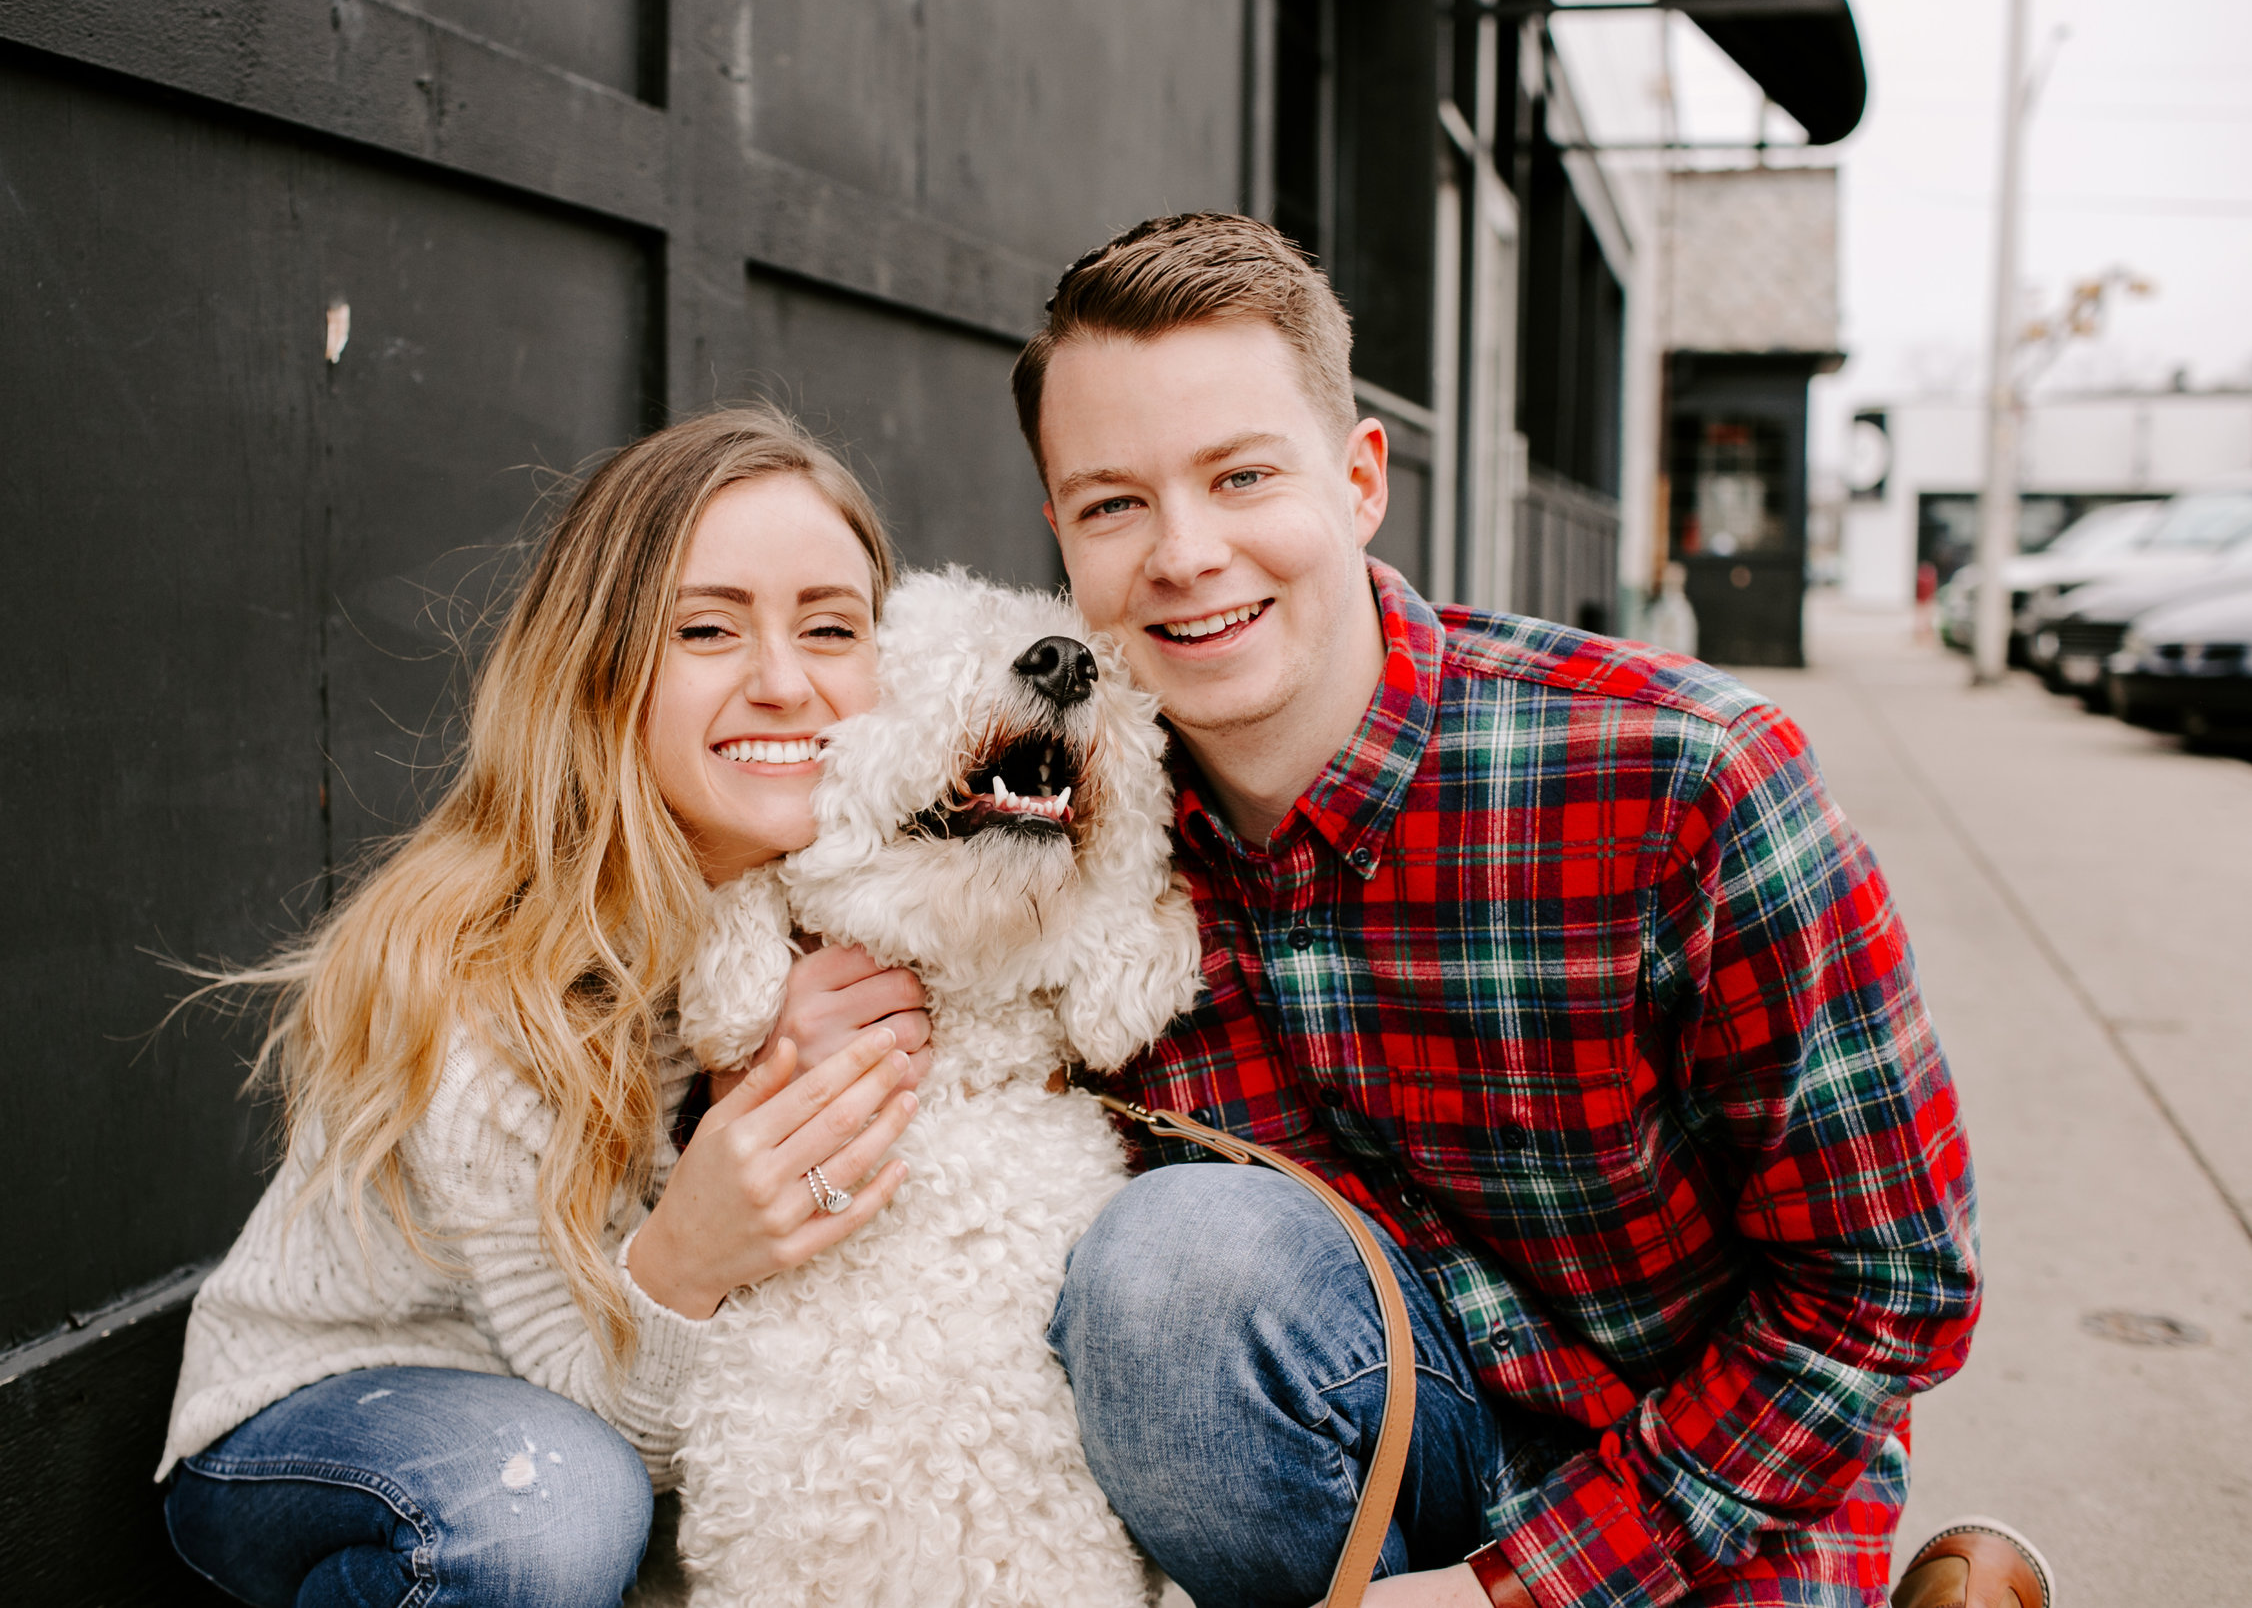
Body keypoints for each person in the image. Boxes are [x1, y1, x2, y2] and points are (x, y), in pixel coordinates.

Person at [1020, 216, 2047, 1608]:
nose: (1186, 551)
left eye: (1242, 473)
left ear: (1361, 477)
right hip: (1362, 1453)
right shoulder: (1057, 848)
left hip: (1705, 1475)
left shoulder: (1686, 778)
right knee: (1171, 1276)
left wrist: (1514, 1592)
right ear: (1062, 539)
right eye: (1113, 502)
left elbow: (1888, 1280)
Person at [155, 406, 936, 1608]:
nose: (785, 682)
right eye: (707, 627)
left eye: (831, 626)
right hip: (342, 1412)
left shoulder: (864, 916)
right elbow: (613, 1426)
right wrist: (689, 1250)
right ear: (604, 666)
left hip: (587, 1430)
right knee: (551, 1510)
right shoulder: (487, 989)